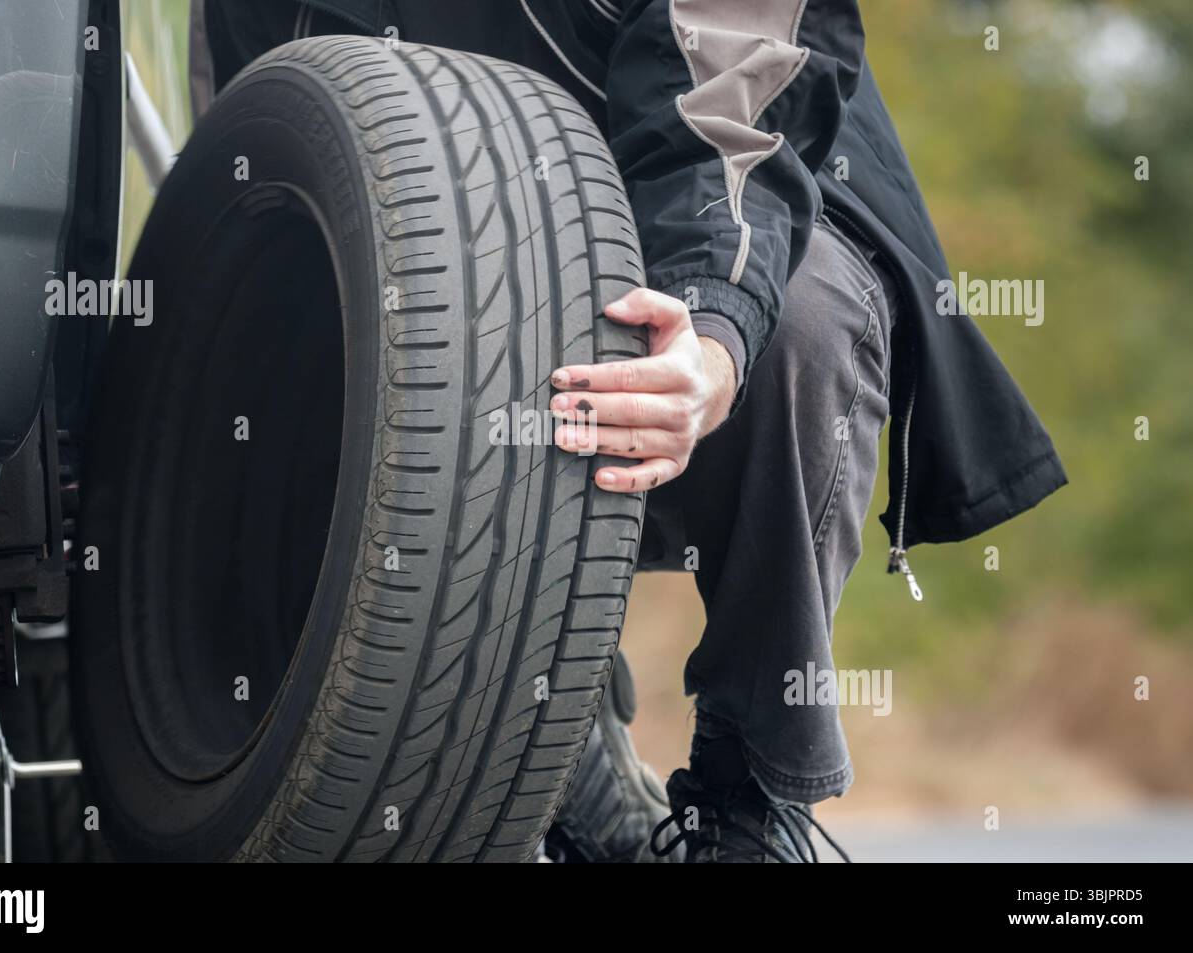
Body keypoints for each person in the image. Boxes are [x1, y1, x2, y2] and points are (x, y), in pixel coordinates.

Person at [191, 0, 1066, 862]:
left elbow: (730, 77)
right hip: (460, 272)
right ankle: (542, 739)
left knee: (794, 323)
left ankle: (750, 803)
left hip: (730, 192)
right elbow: (276, 146)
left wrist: (715, 323)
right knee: (289, 353)